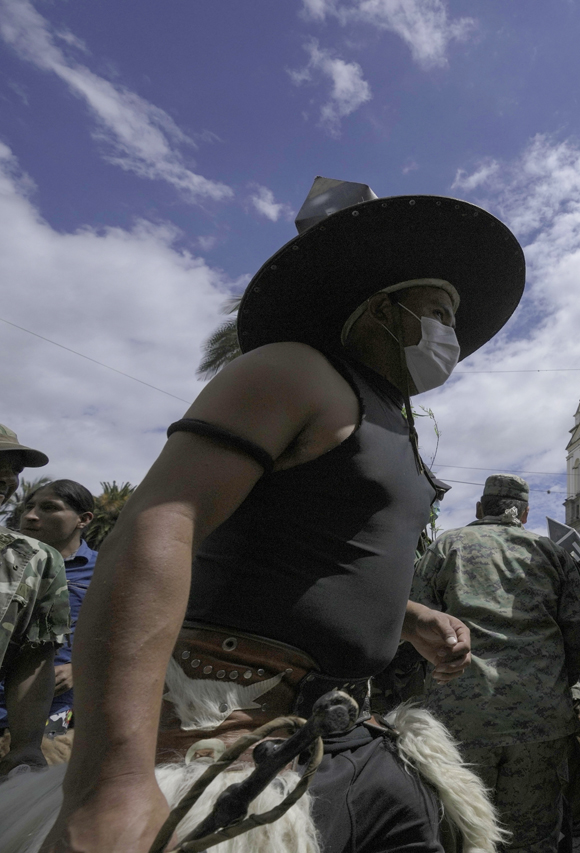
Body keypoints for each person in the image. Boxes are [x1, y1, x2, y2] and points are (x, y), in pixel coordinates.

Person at [26, 177, 526, 853]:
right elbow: (157, 524)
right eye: (437, 310)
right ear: (380, 307)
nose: (452, 334)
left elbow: (304, 556)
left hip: (343, 738)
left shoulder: (391, 422)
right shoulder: (293, 372)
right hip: (223, 744)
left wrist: (408, 618)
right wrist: (109, 785)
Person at [412, 474, 580, 853]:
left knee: (458, 835)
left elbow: (415, 624)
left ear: (479, 509)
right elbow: (578, 633)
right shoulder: (551, 553)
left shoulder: (446, 548)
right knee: (531, 840)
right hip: (539, 718)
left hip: (459, 719)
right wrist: (554, 686)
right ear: (524, 513)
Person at [0, 481, 98, 753]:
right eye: (28, 507)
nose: (31, 515)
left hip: (54, 709)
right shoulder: (5, 562)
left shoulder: (105, 572)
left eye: (48, 508)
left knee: (33, 777)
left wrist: (81, 668)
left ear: (83, 519)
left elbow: (130, 636)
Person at [0, 426, 71, 780]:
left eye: (14, 468)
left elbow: (33, 656)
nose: (7, 477)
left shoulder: (37, 560)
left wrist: (26, 744)